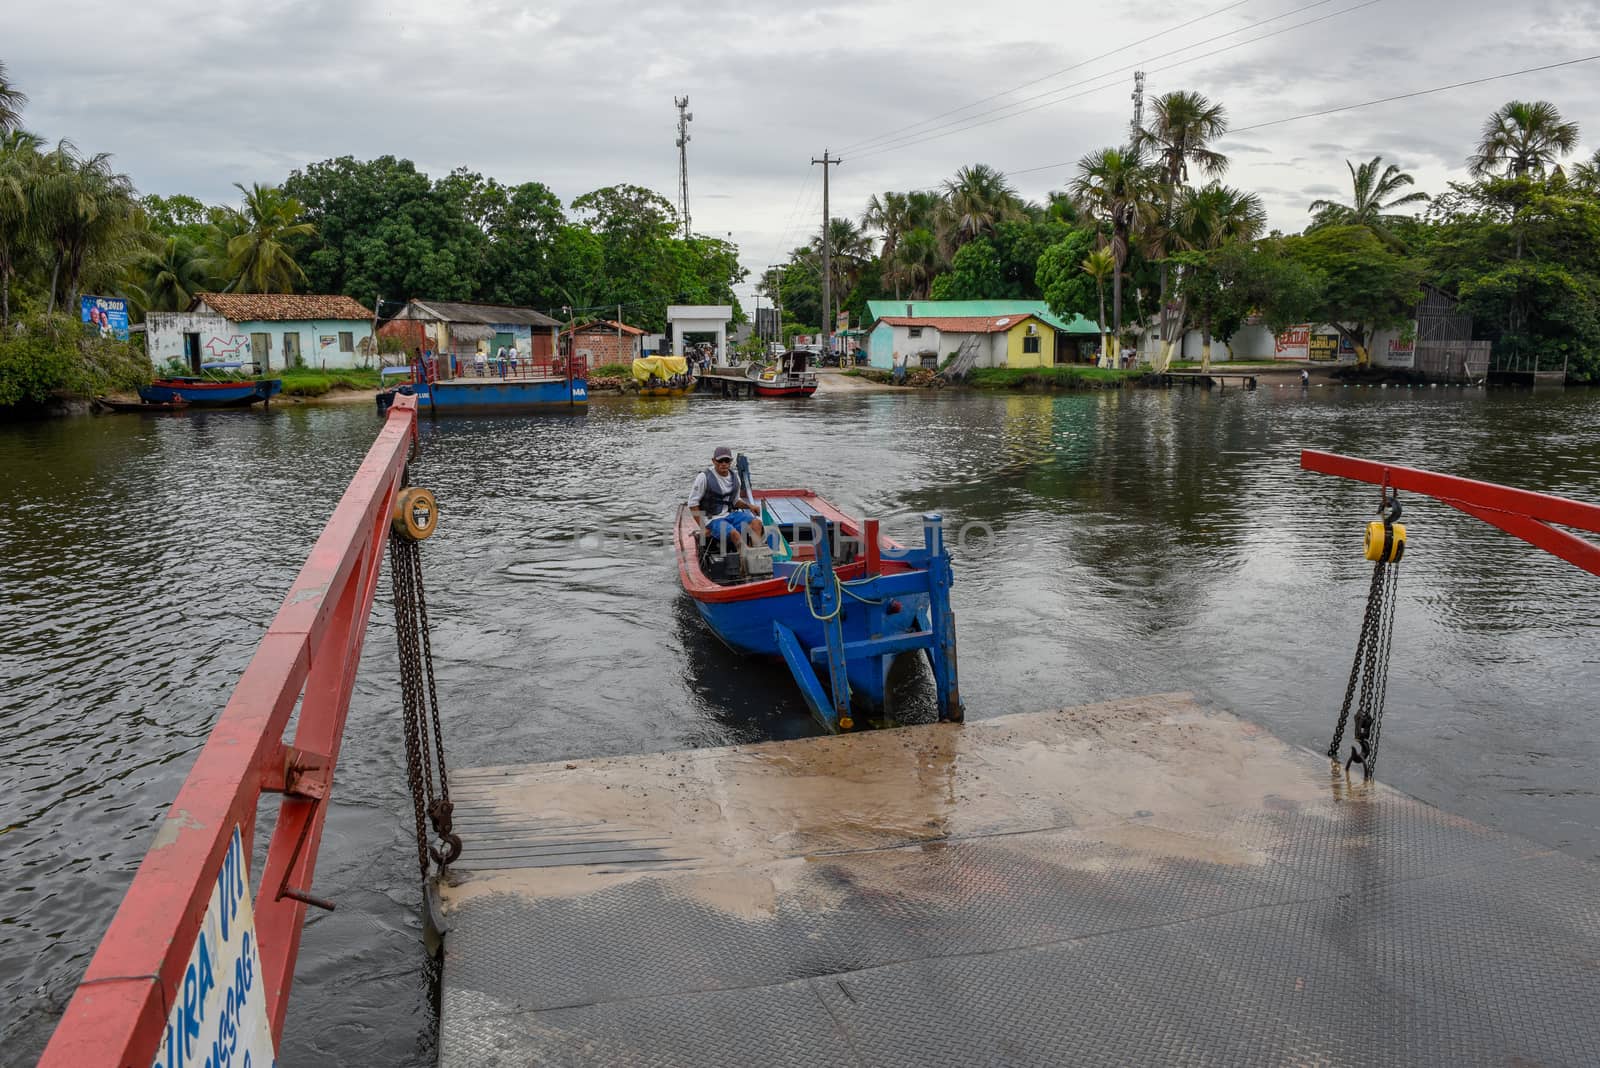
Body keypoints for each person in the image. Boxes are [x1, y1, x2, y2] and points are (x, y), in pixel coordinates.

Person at [688, 446, 764, 551]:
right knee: (734, 534)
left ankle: (757, 553)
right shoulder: (703, 477)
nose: (723, 463)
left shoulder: (735, 477)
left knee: (757, 524)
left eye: (726, 460)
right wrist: (703, 527)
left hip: (730, 515)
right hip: (712, 519)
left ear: (730, 462)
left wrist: (749, 506)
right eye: (720, 460)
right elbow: (692, 504)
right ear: (714, 461)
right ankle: (746, 559)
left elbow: (735, 501)